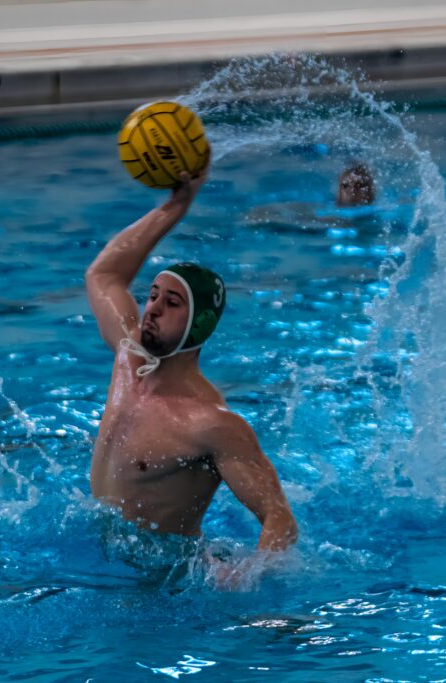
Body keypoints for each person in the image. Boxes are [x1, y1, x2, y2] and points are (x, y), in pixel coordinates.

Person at [84, 168, 298, 564]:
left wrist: (247, 576)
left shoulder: (211, 425)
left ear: (200, 325)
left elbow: (279, 518)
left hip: (161, 586)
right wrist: (174, 207)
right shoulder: (128, 358)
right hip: (99, 557)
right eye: (152, 296)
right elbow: (104, 275)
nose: (152, 310)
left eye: (172, 303)